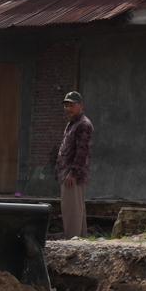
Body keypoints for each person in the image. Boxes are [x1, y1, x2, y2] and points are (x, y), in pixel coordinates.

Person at [57, 90, 94, 238]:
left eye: (71, 105)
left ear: (80, 106)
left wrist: (72, 173)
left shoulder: (83, 125)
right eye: (66, 105)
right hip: (66, 173)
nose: (67, 108)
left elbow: (82, 152)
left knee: (72, 210)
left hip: (73, 175)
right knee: (76, 209)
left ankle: (72, 240)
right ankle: (80, 239)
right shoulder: (73, 124)